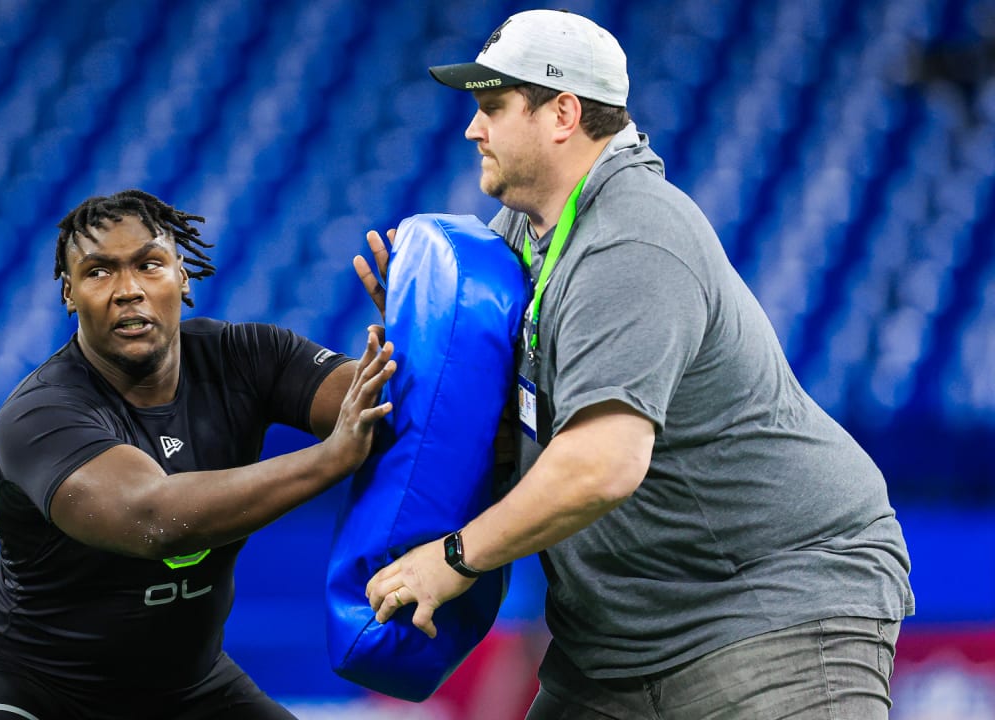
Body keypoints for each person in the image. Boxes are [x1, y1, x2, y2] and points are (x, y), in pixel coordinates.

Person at [359, 10, 914, 719]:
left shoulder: (633, 238)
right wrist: (432, 344)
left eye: (493, 106)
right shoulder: (522, 240)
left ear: (562, 114)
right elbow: (493, 426)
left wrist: (457, 557)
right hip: (618, 638)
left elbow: (602, 463)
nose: (473, 129)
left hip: (769, 601)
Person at [0, 189, 397, 720]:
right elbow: (154, 519)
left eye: (149, 265)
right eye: (99, 272)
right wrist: (330, 459)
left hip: (184, 689)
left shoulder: (245, 357)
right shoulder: (38, 413)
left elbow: (382, 407)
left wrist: (414, 338)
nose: (128, 290)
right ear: (69, 293)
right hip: (25, 680)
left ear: (183, 276)